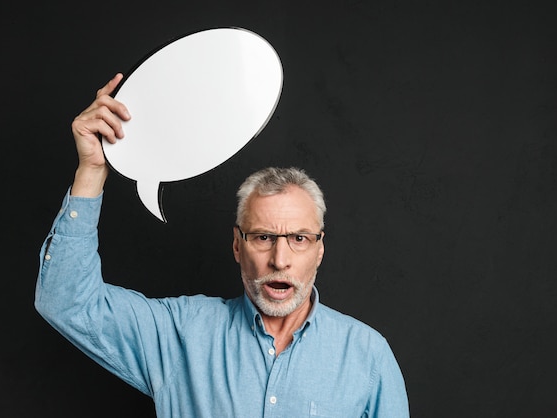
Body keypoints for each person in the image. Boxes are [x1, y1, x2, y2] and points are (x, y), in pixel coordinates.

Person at [35, 73, 409, 417]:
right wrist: (92, 169)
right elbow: (66, 301)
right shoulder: (180, 335)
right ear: (237, 246)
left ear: (319, 249)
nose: (280, 260)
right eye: (263, 237)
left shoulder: (368, 357)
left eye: (298, 239)